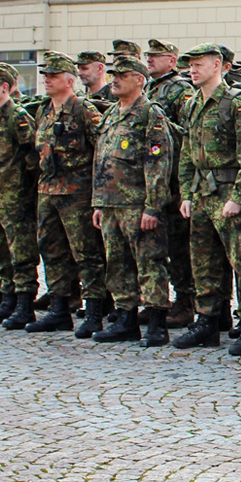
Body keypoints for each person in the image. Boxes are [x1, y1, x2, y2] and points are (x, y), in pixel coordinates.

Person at [172, 43, 241, 356]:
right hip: (202, 194)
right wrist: (186, 192)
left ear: (217, 65)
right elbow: (187, 153)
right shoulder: (192, 104)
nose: (192, 69)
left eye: (198, 64)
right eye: (190, 64)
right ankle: (208, 321)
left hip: (229, 194)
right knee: (203, 262)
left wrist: (238, 196)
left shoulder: (235, 103)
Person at [91, 54, 177, 346]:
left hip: (139, 204)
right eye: (114, 74)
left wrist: (153, 206)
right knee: (117, 263)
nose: (114, 80)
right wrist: (99, 202)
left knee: (150, 263)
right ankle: (125, 317)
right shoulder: (111, 114)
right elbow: (101, 160)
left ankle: (156, 322)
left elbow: (158, 163)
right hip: (113, 203)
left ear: (139, 80)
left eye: (122, 75)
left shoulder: (150, 114)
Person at [25, 52, 107, 334]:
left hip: (78, 194)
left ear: (69, 80)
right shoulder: (44, 111)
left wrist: (99, 196)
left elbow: (102, 152)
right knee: (52, 250)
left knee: (86, 254)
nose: (46, 80)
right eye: (45, 76)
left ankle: (95, 311)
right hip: (48, 191)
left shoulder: (84, 110)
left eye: (53, 76)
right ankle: (59, 308)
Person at [0, 63, 40, 327]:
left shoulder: (18, 116)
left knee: (21, 253)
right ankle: (7, 300)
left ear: (5, 87)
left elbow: (33, 156)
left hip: (16, 198)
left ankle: (25, 305)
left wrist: (24, 191)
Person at [144, 39, 196, 328]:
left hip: (173, 178)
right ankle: (156, 299)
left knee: (179, 246)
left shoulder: (180, 90)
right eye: (148, 56)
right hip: (153, 179)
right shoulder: (150, 89)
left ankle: (186, 302)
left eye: (156, 56)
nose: (149, 60)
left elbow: (185, 134)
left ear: (172, 60)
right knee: (155, 245)